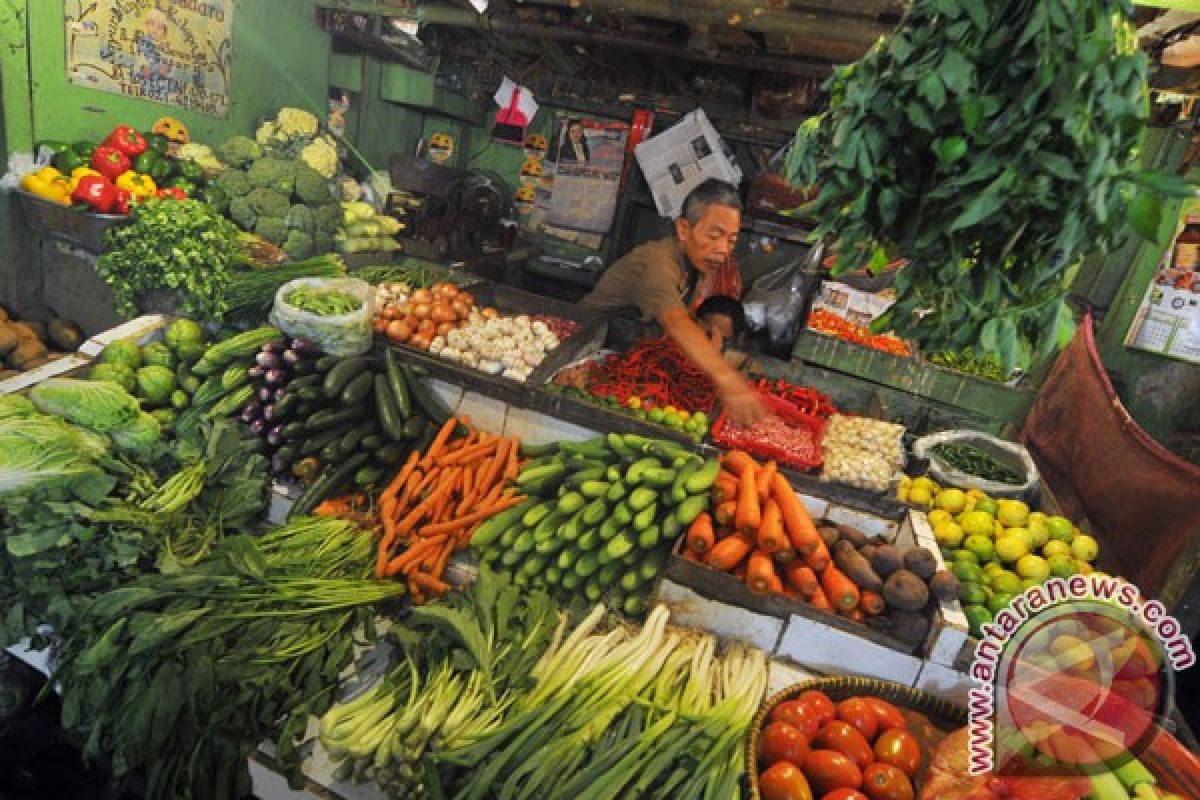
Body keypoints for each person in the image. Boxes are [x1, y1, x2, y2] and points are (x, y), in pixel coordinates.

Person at [581, 180, 766, 423]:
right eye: (714, 235)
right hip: (585, 349)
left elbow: (683, 316)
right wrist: (727, 379)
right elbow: (674, 320)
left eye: (731, 241)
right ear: (683, 229)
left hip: (624, 352)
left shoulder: (694, 264)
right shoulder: (657, 264)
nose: (722, 250)